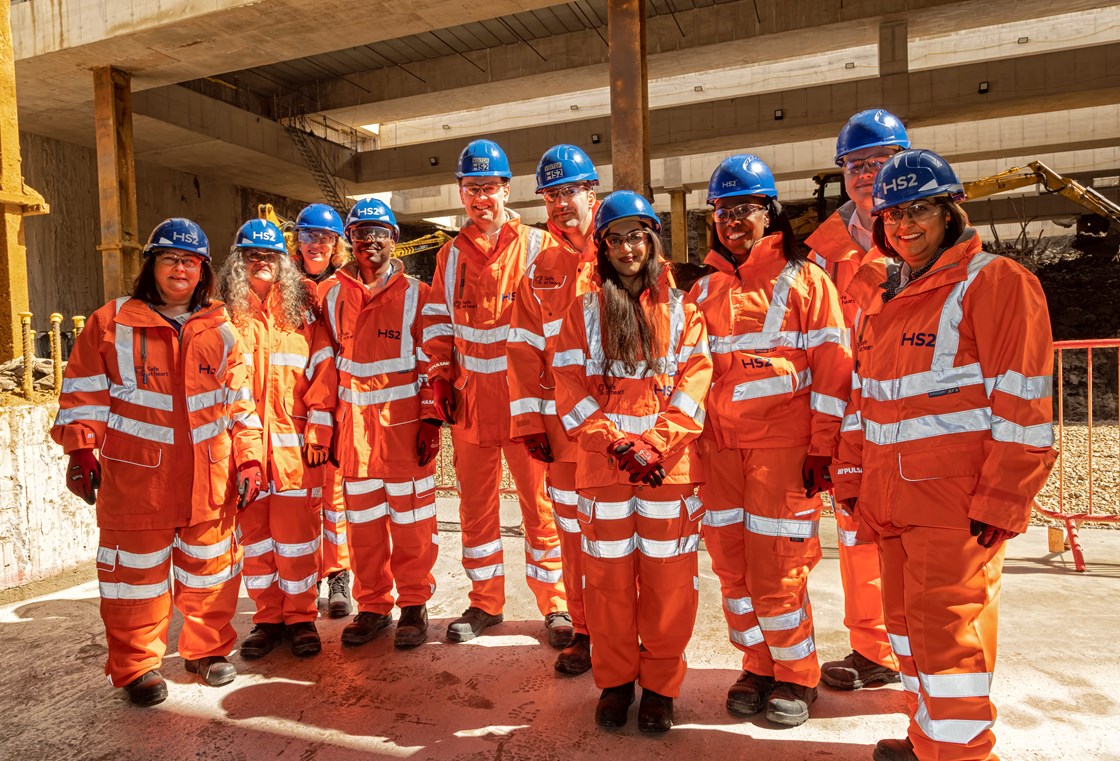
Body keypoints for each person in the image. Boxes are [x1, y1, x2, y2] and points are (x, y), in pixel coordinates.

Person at [832, 149, 1056, 761]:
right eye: (893, 215)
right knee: (907, 632)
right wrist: (850, 477)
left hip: (959, 509)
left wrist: (1006, 496)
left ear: (951, 208)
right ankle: (926, 738)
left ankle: (960, 754)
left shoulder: (997, 283)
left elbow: (1025, 404)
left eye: (920, 210)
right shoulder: (885, 299)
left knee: (951, 643)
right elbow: (865, 400)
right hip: (892, 503)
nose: (905, 227)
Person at [52, 218, 263, 706]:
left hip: (209, 478)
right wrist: (81, 448)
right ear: (151, 266)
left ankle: (206, 651)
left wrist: (249, 460)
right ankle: (137, 668)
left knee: (211, 573)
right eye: (170, 258)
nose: (180, 269)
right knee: (134, 582)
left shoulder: (222, 329)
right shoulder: (111, 322)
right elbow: (84, 393)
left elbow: (241, 404)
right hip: (137, 481)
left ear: (204, 272)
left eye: (191, 261)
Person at [690, 155, 851, 727]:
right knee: (732, 568)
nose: (734, 220)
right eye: (723, 210)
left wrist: (822, 447)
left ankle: (797, 676)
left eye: (747, 209)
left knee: (779, 566)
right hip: (718, 452)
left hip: (784, 451)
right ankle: (757, 665)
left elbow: (835, 369)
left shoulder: (807, 280)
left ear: (770, 214)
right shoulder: (703, 290)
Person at [552, 191, 712, 733]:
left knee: (669, 586)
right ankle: (616, 683)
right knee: (608, 584)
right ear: (602, 247)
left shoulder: (684, 309)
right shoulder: (581, 311)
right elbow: (569, 388)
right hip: (605, 470)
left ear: (653, 240)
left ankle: (661, 689)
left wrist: (656, 444)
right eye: (615, 238)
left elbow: (693, 385)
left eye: (637, 235)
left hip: (668, 472)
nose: (627, 247)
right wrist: (617, 443)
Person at [421, 139, 569, 645]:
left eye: (488, 187)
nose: (480, 198)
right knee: (476, 510)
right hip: (470, 408)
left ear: (506, 189)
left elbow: (553, 325)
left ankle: (557, 606)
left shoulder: (536, 247)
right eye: (471, 188)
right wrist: (439, 374)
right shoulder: (449, 255)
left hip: (526, 405)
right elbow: (438, 323)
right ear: (460, 194)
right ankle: (485, 602)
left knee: (540, 506)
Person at [805, 109, 909, 691]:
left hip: (917, 418)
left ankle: (918, 659)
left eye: (879, 161)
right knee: (855, 535)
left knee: (915, 540)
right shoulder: (823, 248)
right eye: (854, 164)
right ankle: (876, 652)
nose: (867, 174)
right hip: (852, 419)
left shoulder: (923, 228)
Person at [307, 198, 441, 649]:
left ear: (395, 241)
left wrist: (430, 419)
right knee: (363, 528)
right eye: (362, 233)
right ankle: (374, 607)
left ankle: (415, 605)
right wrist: (324, 426)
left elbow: (432, 363)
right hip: (355, 435)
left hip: (404, 434)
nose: (371, 241)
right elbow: (324, 368)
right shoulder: (331, 296)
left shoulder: (418, 296)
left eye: (379, 232)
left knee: (412, 526)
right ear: (351, 241)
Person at [217, 219, 330, 659]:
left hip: (294, 451)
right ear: (237, 262)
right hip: (242, 454)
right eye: (251, 256)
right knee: (257, 541)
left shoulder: (304, 313)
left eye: (268, 256)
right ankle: (267, 618)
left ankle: (301, 617)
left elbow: (325, 374)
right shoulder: (222, 316)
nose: (260, 263)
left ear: (283, 262)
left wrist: (320, 429)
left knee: (298, 540)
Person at [507, 144, 600, 672]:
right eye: (553, 193)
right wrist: (527, 422)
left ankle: (624, 633)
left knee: (619, 536)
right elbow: (520, 351)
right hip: (563, 437)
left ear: (594, 193)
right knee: (572, 537)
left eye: (572, 191)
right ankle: (585, 632)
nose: (563, 203)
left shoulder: (624, 253)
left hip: (618, 434)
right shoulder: (540, 270)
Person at [292, 203, 353, 619]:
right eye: (309, 236)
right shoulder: (284, 286)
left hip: (340, 403)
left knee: (335, 496)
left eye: (325, 238)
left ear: (336, 245)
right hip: (293, 405)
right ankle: (303, 577)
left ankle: (338, 576)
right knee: (299, 496)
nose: (317, 244)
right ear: (296, 241)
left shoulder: (345, 285)